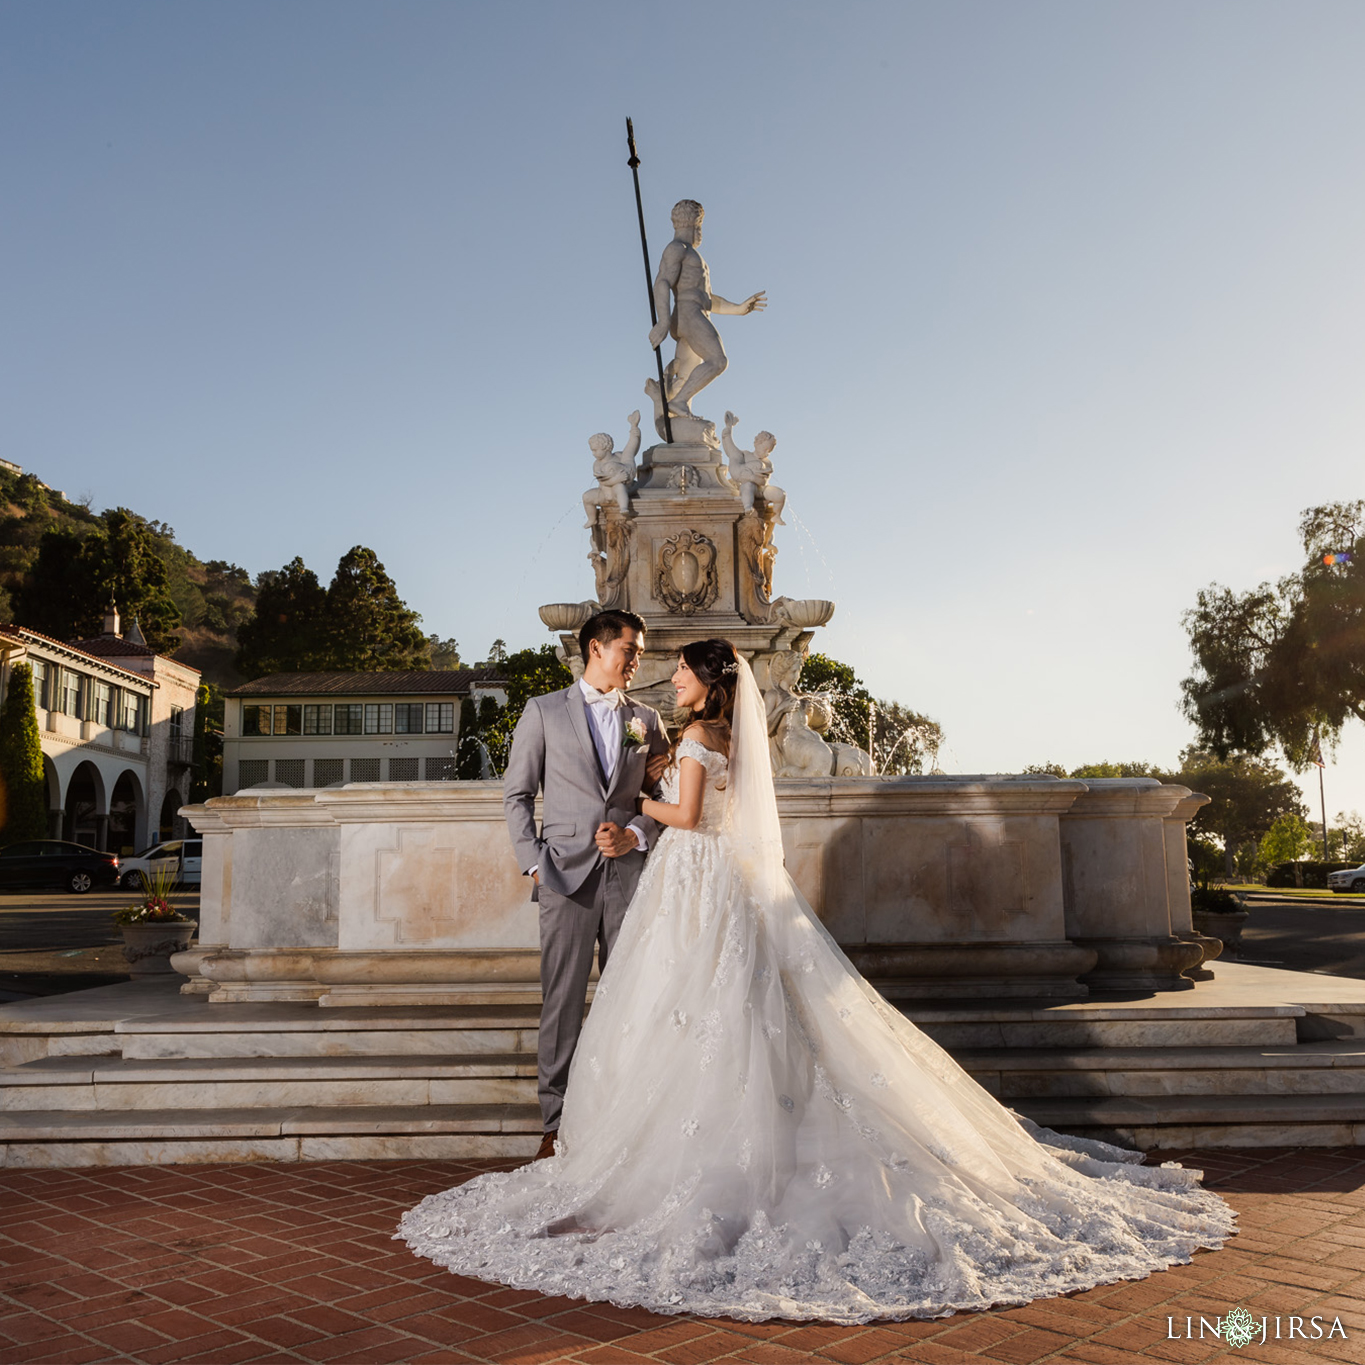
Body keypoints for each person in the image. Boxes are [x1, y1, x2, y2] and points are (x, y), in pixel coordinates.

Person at [401, 639, 1235, 1323]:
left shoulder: (687, 736)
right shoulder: (699, 736)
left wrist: (630, 812)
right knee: (718, 1009)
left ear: (707, 683)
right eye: (650, 661)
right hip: (709, 882)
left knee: (692, 1009)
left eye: (680, 668)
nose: (666, 675)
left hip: (688, 878)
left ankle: (678, 1151)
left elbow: (687, 816)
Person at [500, 609, 670, 1160]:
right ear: (596, 648)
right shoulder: (543, 711)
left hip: (627, 877)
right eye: (630, 649)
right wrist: (533, 863)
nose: (637, 659)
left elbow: (665, 802)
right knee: (563, 1002)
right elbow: (517, 794)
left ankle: (625, 1116)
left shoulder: (647, 718)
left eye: (639, 650)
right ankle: (556, 1123)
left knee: (631, 1000)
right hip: (563, 878)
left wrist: (636, 836)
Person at [648, 200, 766, 418]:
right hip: (688, 314)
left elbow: (707, 298)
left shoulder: (691, 253)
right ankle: (680, 402)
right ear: (695, 223)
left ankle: (675, 412)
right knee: (718, 361)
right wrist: (663, 322)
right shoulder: (677, 249)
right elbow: (662, 282)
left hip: (696, 312)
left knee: (685, 379)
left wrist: (738, 309)